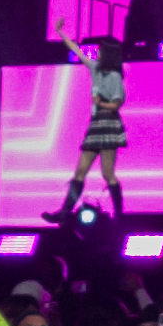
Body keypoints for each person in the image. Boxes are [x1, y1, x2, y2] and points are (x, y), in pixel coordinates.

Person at [55, 41, 132, 222]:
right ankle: (63, 213)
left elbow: (117, 103)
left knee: (108, 173)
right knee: (80, 171)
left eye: (100, 52)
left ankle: (119, 215)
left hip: (108, 123)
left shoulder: (114, 76)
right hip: (96, 124)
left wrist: (100, 102)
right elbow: (78, 52)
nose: (97, 54)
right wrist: (61, 33)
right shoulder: (95, 69)